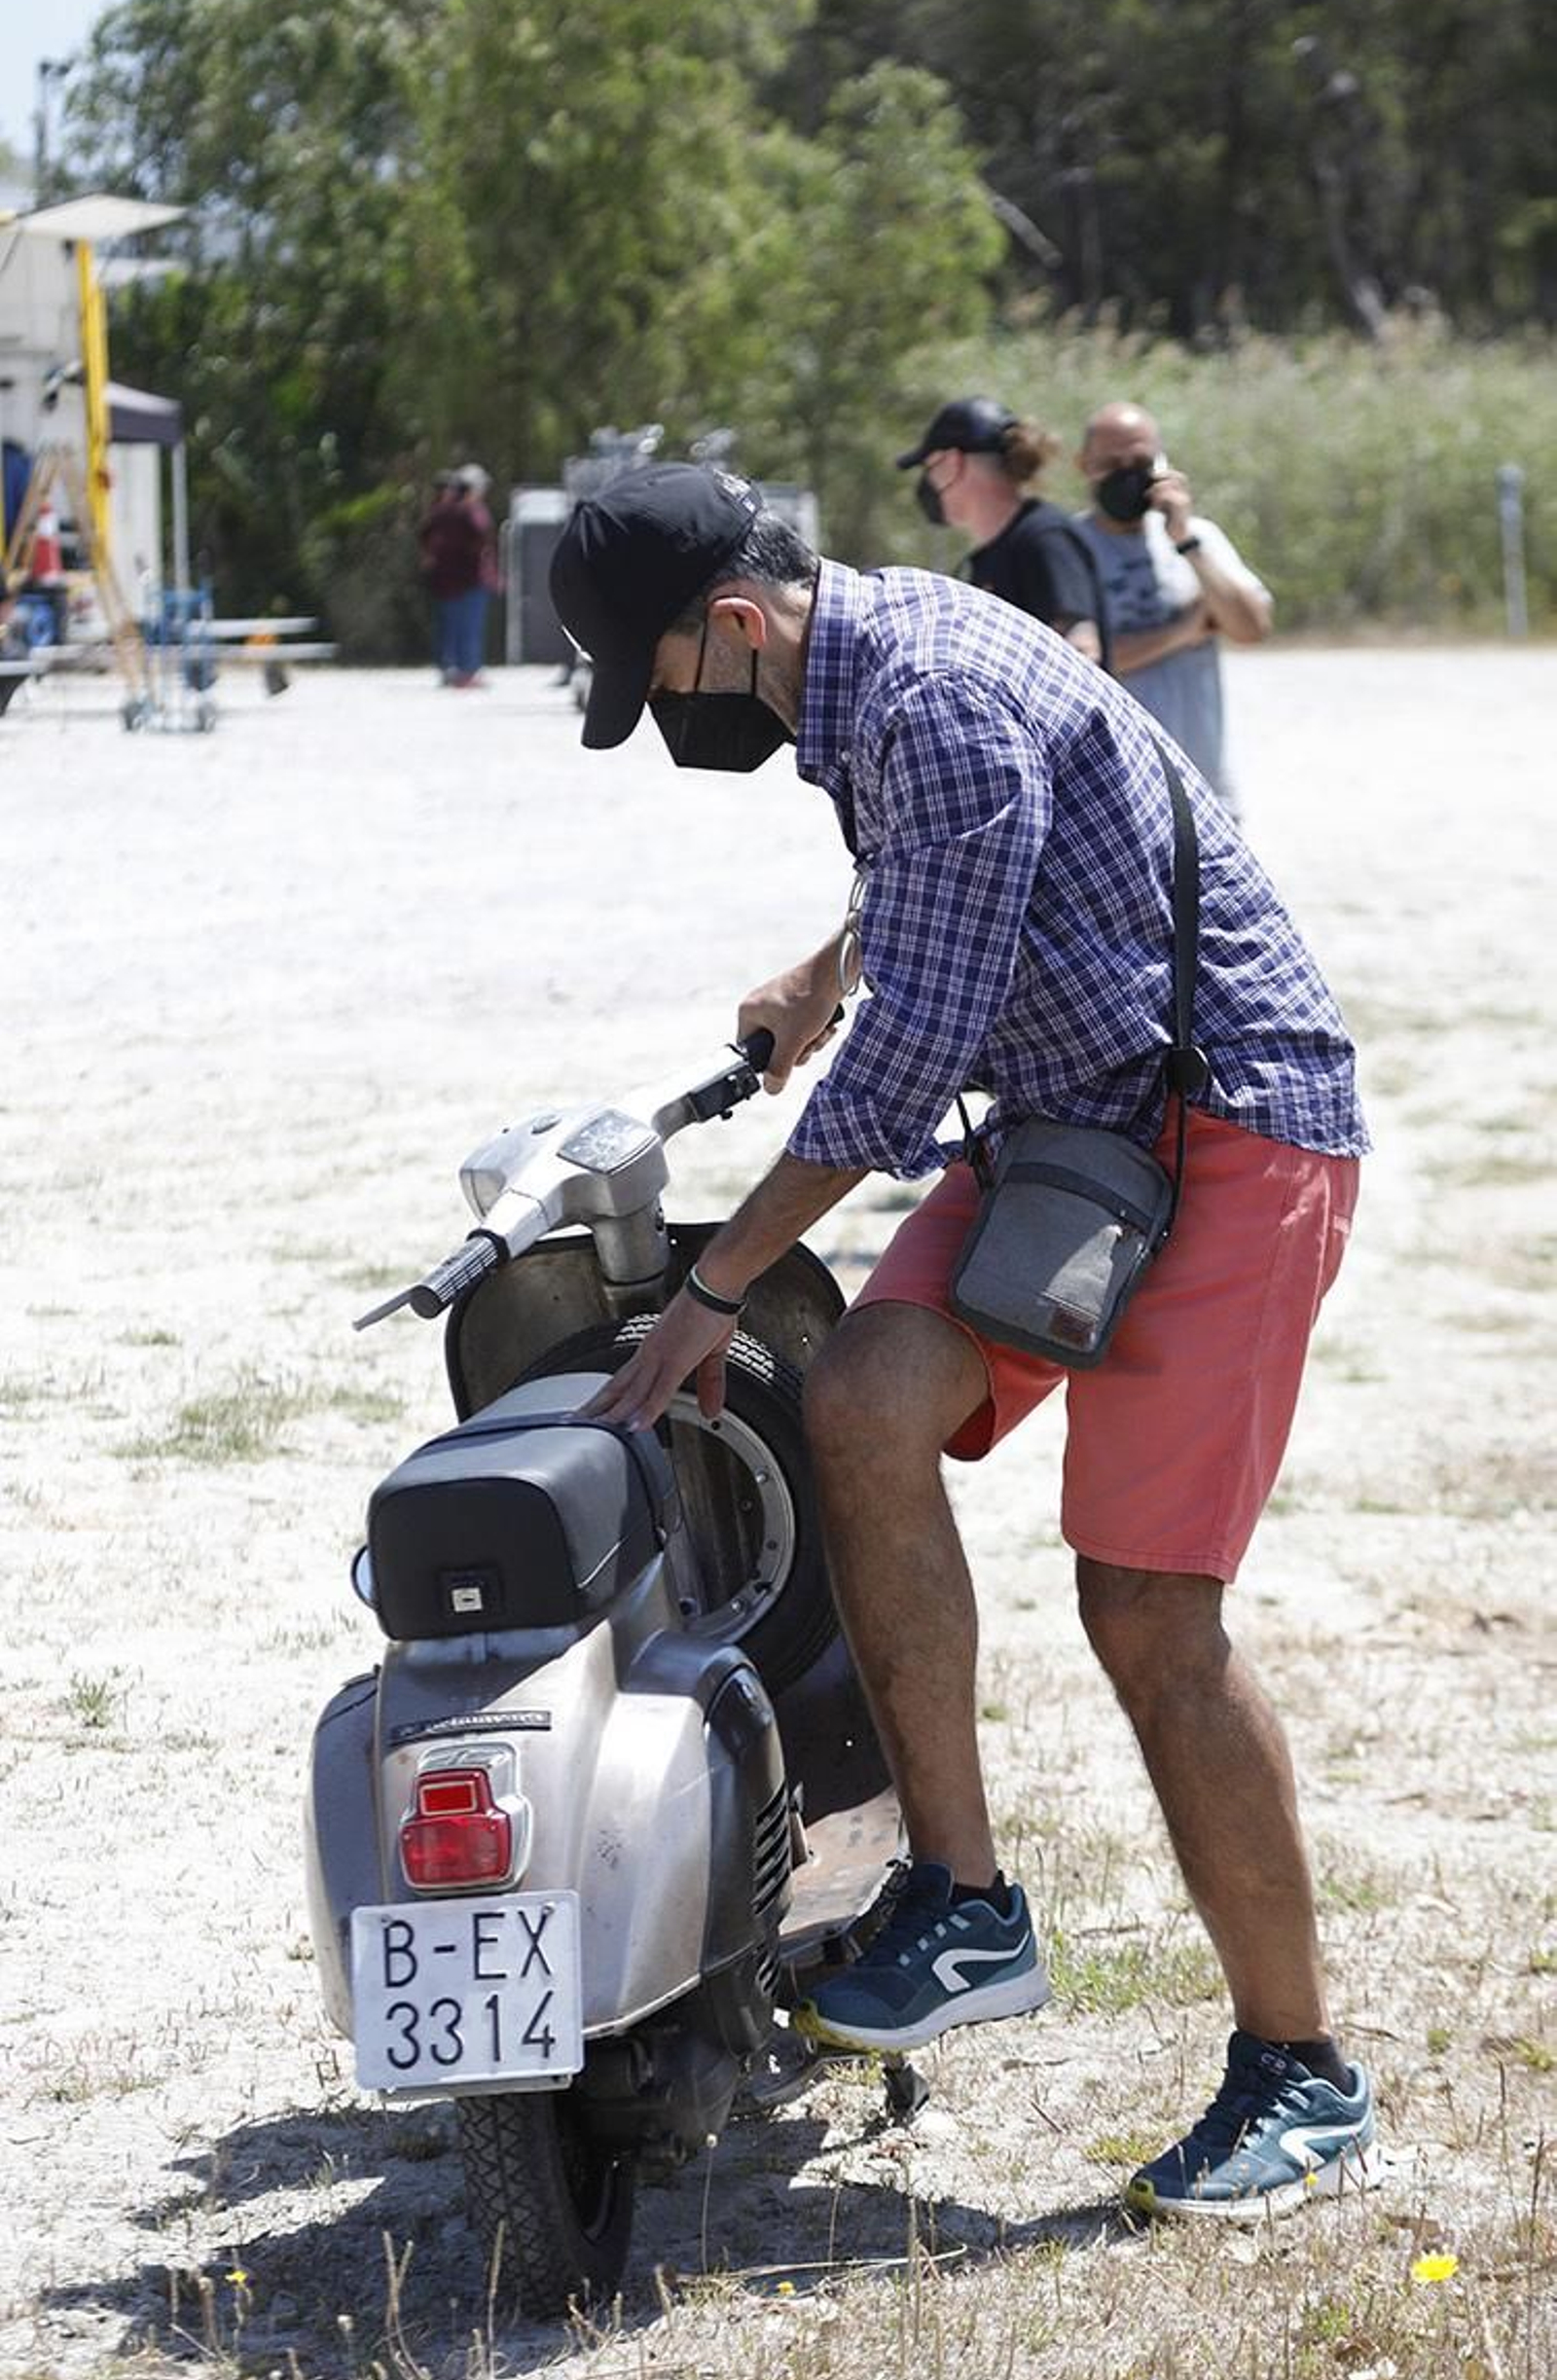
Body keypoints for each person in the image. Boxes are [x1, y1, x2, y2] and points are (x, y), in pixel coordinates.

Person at [547, 463, 1381, 2223]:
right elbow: (954, 888)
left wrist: (717, 1284)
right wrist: (826, 964)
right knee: (861, 1396)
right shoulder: (874, 669)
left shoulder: (925, 694)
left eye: (662, 675)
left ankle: (1302, 2069)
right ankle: (967, 1901)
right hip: (1084, 1122)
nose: (670, 713)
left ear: (737, 622)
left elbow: (910, 1061)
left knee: (1146, 1610)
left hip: (1228, 1125)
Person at [1074, 403, 1272, 811]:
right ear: (1084, 465)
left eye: (1140, 463)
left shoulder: (1197, 537)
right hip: (1117, 798)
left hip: (1204, 790)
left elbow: (1251, 628)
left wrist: (1185, 541)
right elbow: (1078, 667)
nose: (1127, 474)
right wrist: (1183, 631)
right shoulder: (1067, 548)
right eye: (1111, 464)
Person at [897, 395, 1108, 666]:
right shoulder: (990, 557)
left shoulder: (1044, 537)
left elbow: (1083, 650)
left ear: (952, 463)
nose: (927, 482)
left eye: (929, 467)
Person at [417, 462, 498, 687]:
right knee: (469, 627)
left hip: (446, 580)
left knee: (449, 626)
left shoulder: (440, 511)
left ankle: (449, 668)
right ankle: (468, 671)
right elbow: (482, 538)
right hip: (470, 578)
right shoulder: (469, 512)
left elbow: (424, 536)